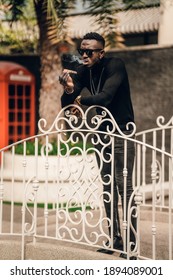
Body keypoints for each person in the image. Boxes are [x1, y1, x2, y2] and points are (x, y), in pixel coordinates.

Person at [59, 32, 136, 258]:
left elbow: (105, 97)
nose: (84, 54)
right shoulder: (83, 71)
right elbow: (66, 102)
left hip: (122, 131)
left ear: (101, 52)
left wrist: (80, 100)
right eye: (81, 50)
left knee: (125, 186)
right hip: (101, 132)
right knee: (107, 185)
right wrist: (70, 89)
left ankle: (131, 242)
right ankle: (115, 239)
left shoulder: (115, 65)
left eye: (89, 51)